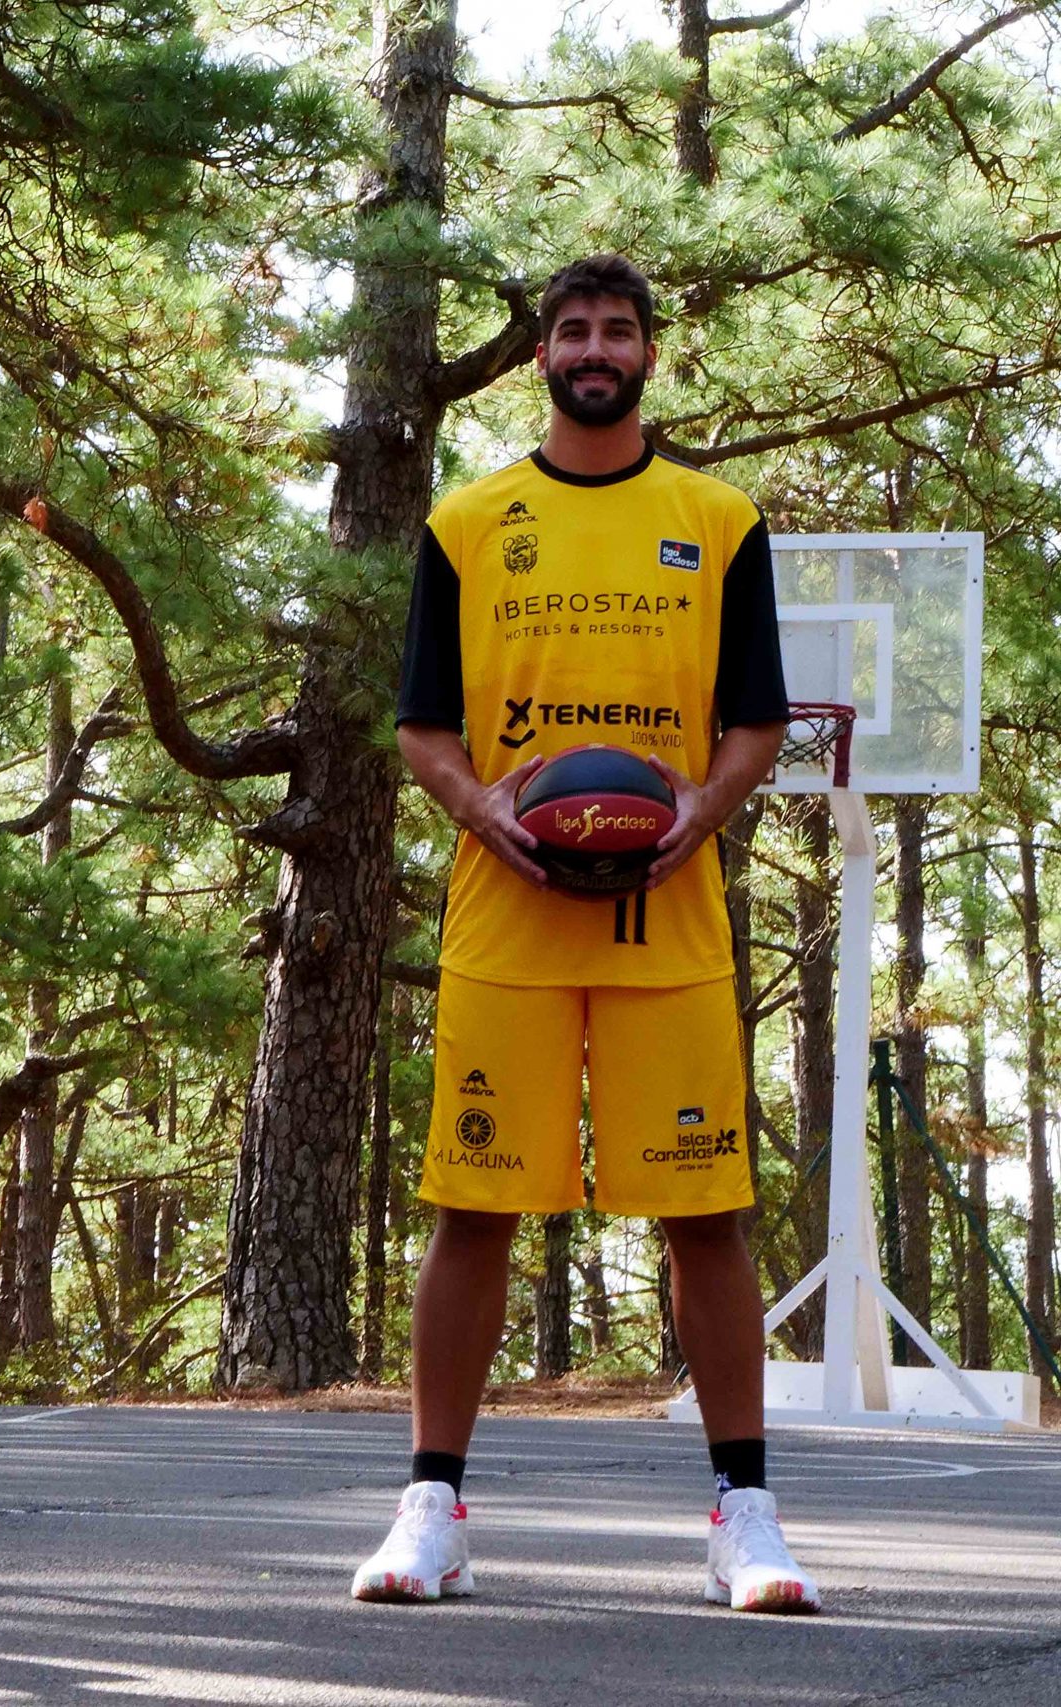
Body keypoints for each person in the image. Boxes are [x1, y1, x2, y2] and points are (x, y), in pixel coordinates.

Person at [363, 254, 818, 1614]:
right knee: (473, 1206)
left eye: (618, 329)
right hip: (506, 913)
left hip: (664, 915)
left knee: (705, 1211)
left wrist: (702, 808)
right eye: (572, 330)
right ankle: (432, 1508)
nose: (595, 348)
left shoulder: (718, 519)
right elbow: (421, 726)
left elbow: (756, 720)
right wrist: (478, 803)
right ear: (542, 357)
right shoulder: (467, 521)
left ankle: (745, 1516)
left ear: (649, 354)